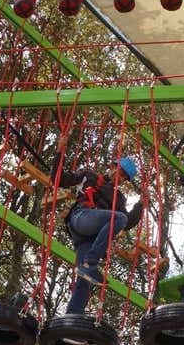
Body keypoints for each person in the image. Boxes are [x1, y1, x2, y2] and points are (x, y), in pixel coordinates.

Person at [51, 135, 143, 315]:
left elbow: (127, 223)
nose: (121, 179)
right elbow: (58, 178)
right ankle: (90, 263)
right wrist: (60, 151)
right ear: (113, 166)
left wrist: (140, 205)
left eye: (125, 178)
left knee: (85, 279)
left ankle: (71, 321)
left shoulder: (120, 198)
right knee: (118, 219)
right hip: (81, 218)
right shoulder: (89, 176)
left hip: (89, 239)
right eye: (121, 173)